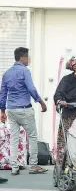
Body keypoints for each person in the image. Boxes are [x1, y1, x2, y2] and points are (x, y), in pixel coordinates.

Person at [0, 47, 47, 175]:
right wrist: (41, 102)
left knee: (14, 138)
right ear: (22, 58)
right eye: (28, 57)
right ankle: (33, 165)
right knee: (32, 136)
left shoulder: (7, 73)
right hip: (24, 109)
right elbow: (31, 89)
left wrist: (2, 111)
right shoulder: (24, 71)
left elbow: (3, 94)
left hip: (11, 110)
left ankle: (14, 167)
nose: (29, 59)